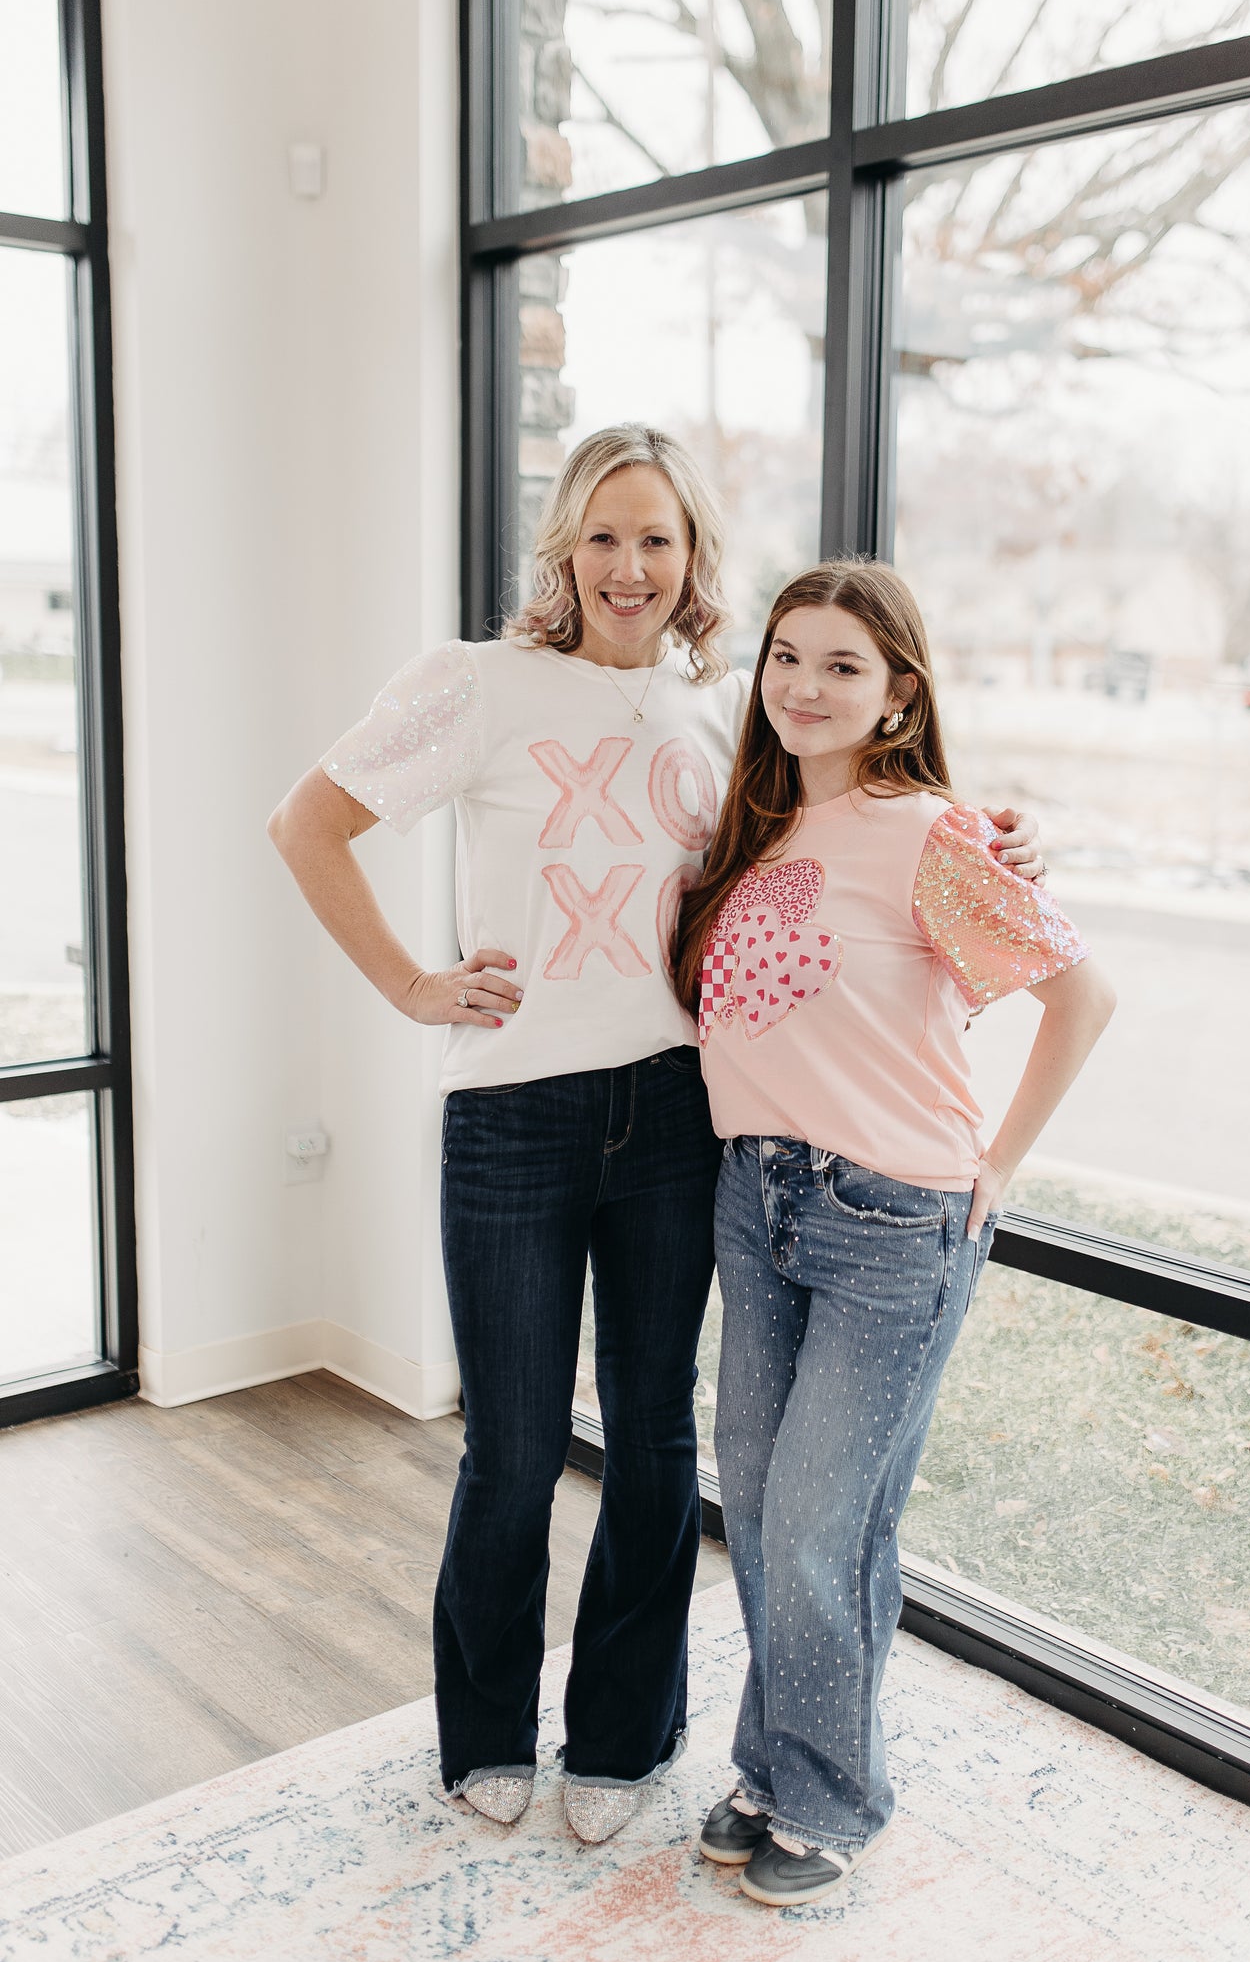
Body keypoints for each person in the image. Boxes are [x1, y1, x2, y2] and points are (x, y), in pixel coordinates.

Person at [268, 426, 1045, 1846]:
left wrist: (989, 841)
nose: (630, 567)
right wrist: (411, 983)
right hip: (512, 1111)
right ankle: (485, 1728)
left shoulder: (719, 716)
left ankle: (622, 1732)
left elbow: (844, 822)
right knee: (507, 1448)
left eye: (659, 540)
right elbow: (307, 823)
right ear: (565, 546)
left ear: (694, 560)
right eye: (604, 536)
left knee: (648, 1445)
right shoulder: (477, 684)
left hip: (680, 1115)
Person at [672, 561, 1114, 1906]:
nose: (803, 686)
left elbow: (1081, 998)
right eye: (785, 657)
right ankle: (772, 1764)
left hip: (889, 1222)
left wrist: (997, 1165)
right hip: (755, 1203)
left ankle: (831, 1801)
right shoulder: (748, 831)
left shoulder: (932, 833)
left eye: (843, 666)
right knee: (760, 1512)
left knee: (817, 1522)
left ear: (896, 693)